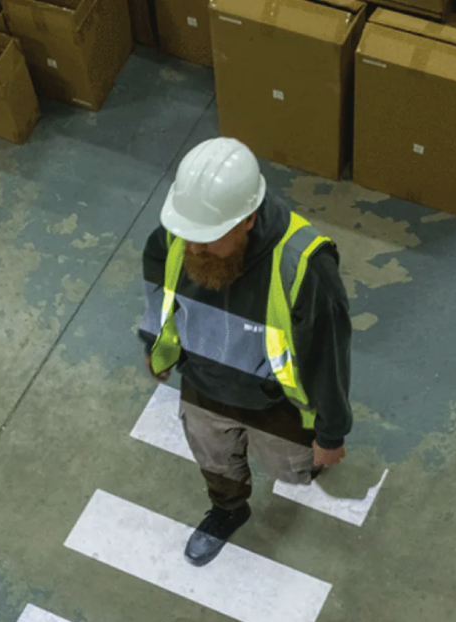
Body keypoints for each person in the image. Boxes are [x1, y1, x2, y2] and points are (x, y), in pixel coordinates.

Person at [138, 137, 353, 567]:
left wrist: (331, 435)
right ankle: (227, 510)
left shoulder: (304, 268)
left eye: (209, 239)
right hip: (203, 386)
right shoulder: (174, 240)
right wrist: (156, 348)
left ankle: (308, 461)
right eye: (189, 236)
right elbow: (158, 302)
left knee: (295, 469)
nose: (193, 248)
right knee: (215, 462)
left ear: (248, 220)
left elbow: (327, 358)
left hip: (277, 404)